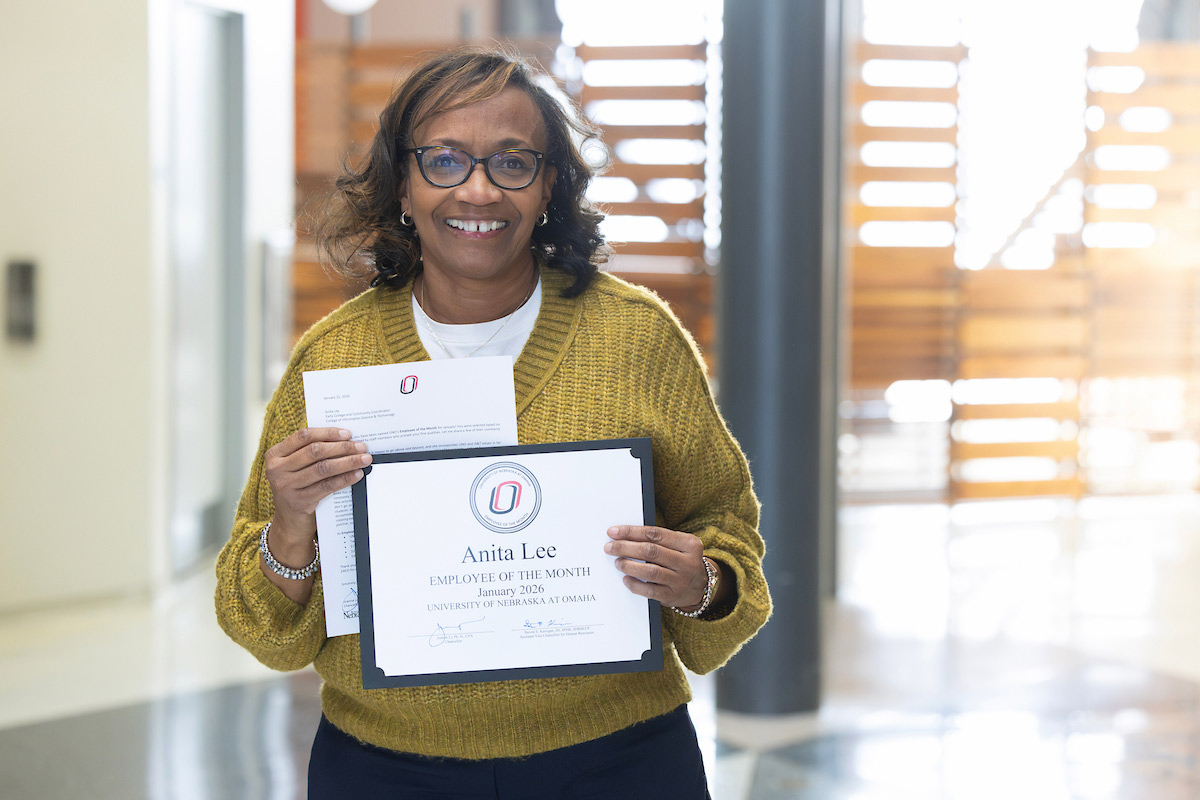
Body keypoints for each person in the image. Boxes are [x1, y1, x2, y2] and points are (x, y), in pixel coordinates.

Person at [215, 46, 771, 799]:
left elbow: (727, 530)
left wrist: (700, 583)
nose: (477, 190)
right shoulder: (335, 360)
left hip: (621, 760)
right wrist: (288, 530)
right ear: (403, 186)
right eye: (444, 160)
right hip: (385, 770)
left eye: (512, 163)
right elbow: (263, 632)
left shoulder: (638, 339)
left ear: (549, 187)